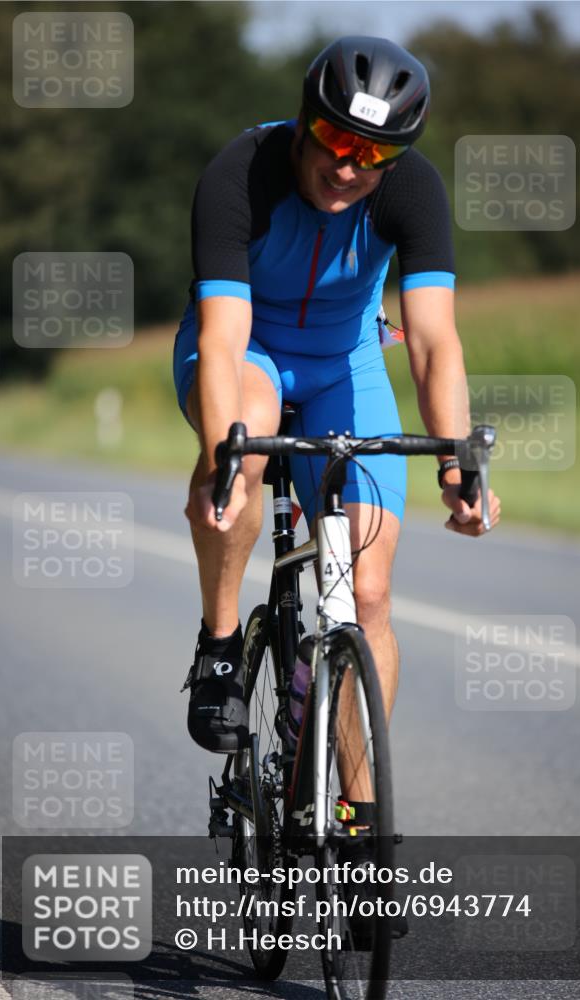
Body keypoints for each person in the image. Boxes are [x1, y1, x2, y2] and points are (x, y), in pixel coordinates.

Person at [174, 34, 501, 760]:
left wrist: (458, 467)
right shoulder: (242, 172)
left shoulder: (413, 190)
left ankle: (357, 827)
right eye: (332, 138)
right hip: (247, 349)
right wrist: (221, 457)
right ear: (303, 119)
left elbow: (430, 342)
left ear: (396, 156)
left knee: (371, 594)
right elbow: (224, 339)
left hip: (344, 364)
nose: (348, 166)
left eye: (374, 154)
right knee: (245, 436)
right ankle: (221, 643)